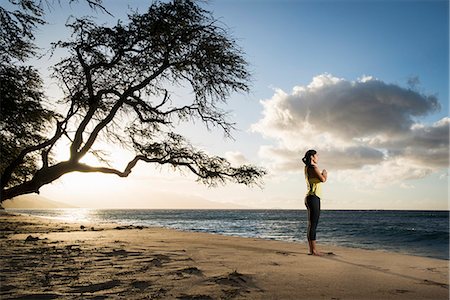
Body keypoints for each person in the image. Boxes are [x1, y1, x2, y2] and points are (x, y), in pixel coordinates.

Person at [302, 149, 327, 256]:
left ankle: (312, 250)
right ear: (312, 157)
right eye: (316, 156)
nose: (318, 158)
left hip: (310, 197)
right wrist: (325, 173)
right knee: (313, 225)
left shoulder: (307, 168)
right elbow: (322, 179)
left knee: (312, 224)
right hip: (313, 197)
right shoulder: (312, 167)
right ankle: (313, 251)